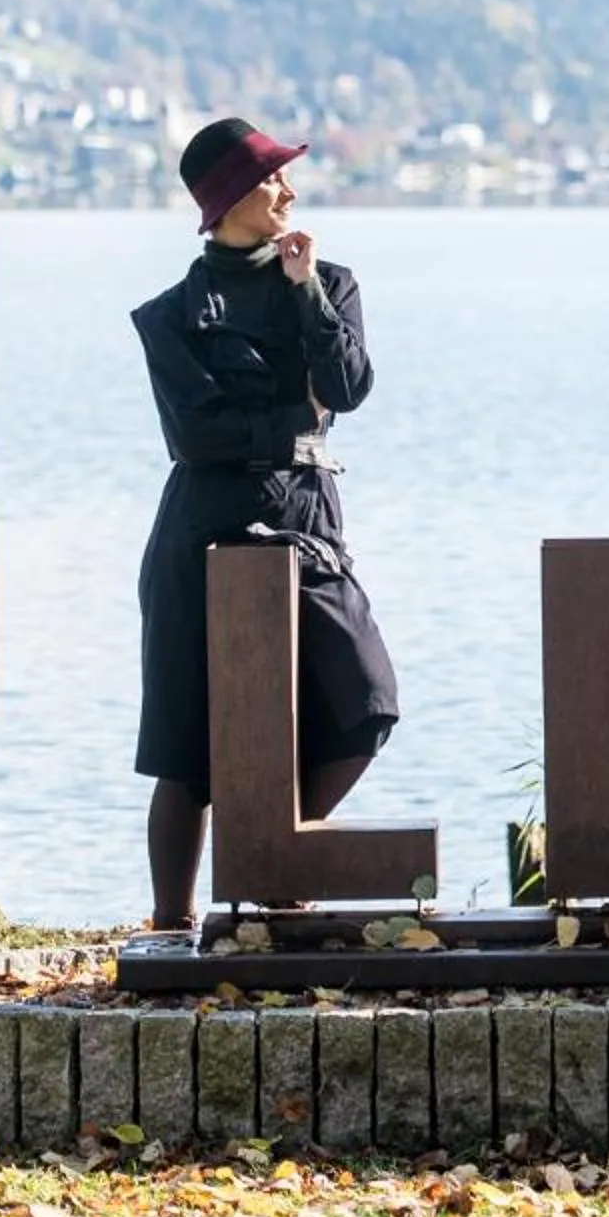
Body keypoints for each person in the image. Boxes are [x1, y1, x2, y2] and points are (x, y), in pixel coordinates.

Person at [132, 116, 398, 931]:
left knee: (364, 699)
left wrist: (304, 289)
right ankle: (171, 930)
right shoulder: (169, 315)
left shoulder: (329, 283)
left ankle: (276, 872)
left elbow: (347, 388)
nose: (289, 188)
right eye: (272, 176)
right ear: (228, 199)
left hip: (308, 520)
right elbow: (196, 436)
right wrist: (294, 421)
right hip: (201, 528)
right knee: (188, 744)